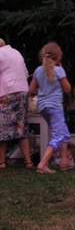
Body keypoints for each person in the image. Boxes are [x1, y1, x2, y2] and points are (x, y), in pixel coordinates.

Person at [28, 42, 74, 173]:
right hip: (55, 107)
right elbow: (67, 89)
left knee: (63, 132)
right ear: (58, 57)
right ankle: (42, 164)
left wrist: (43, 91)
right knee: (59, 135)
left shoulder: (38, 70)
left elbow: (31, 89)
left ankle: (64, 162)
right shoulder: (59, 71)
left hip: (43, 107)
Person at [0, 38, 33, 169]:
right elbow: (25, 73)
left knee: (2, 129)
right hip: (22, 91)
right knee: (21, 127)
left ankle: (1, 162)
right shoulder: (16, 52)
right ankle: (28, 162)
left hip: (7, 92)